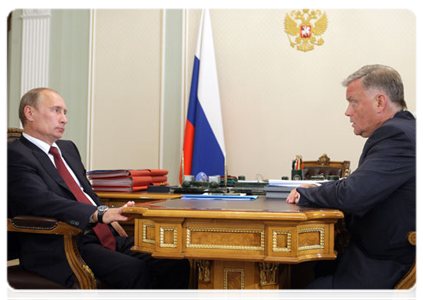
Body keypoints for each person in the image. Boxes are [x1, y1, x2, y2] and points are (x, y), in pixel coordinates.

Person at [5, 87, 190, 300]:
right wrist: (99, 214)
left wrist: (109, 217)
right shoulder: (15, 156)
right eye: (56, 111)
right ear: (30, 113)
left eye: (65, 112)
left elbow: (84, 191)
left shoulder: (67, 149)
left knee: (174, 261)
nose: (64, 119)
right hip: (60, 245)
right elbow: (42, 202)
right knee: (134, 270)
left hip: (98, 235)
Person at [286, 65, 419, 300]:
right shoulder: (402, 130)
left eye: (353, 102)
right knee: (308, 271)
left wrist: (306, 193)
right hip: (374, 254)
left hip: (387, 265)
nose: (348, 112)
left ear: (380, 102)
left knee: (310, 290)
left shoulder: (397, 136)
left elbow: (353, 194)